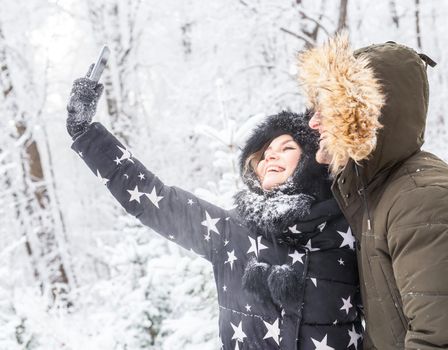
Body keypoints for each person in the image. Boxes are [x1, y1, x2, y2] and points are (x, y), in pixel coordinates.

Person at [66, 68, 363, 349]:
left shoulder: (349, 226)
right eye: (264, 154)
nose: (271, 157)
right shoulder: (231, 232)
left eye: (286, 148)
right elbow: (153, 199)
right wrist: (86, 133)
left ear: (311, 159)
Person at [296, 33, 448, 349]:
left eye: (327, 109)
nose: (314, 123)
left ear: (366, 116)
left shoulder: (424, 201)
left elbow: (439, 343)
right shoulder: (376, 189)